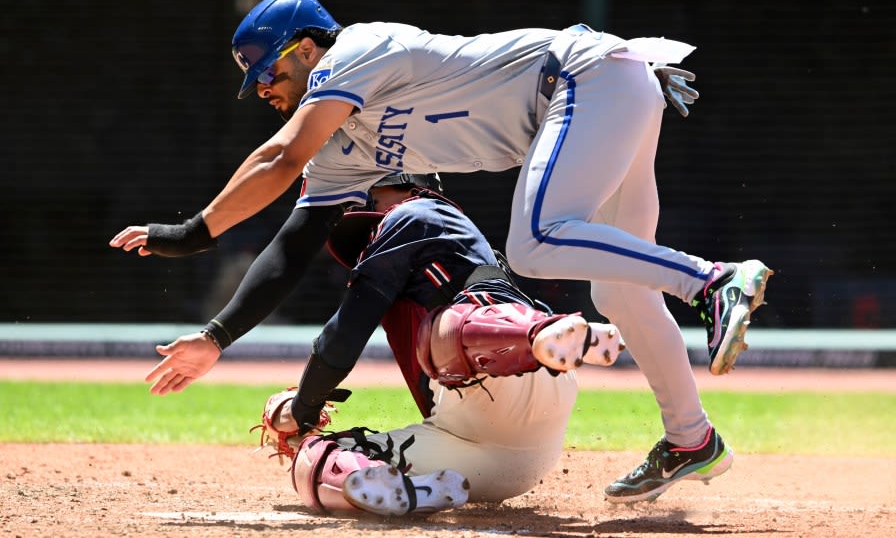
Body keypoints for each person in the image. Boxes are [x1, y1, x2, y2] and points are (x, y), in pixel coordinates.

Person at [109, 0, 773, 503]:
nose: (260, 87)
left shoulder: (356, 49)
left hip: (584, 81)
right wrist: (215, 337)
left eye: (267, 68)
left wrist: (190, 234)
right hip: (605, 87)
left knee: (537, 241)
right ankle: (692, 437)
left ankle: (712, 281)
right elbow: (291, 247)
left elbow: (281, 157)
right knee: (619, 288)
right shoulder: (346, 150)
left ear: (309, 47)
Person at [143, 172, 626, 516]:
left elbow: (342, 336)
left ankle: (539, 336)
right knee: (317, 464)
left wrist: (305, 404)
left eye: (368, 202)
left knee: (441, 335)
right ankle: (420, 495)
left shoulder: (418, 210)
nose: (364, 220)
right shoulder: (448, 240)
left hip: (502, 369)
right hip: (502, 456)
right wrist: (305, 427)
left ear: (402, 183)